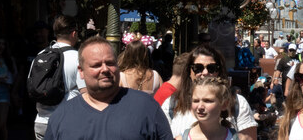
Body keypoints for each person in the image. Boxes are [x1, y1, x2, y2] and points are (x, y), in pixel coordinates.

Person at [43, 36, 171, 139]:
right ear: (81, 71)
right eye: (96, 65)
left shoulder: (146, 106)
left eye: (110, 63)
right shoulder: (62, 116)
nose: (105, 69)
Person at [161, 44, 257, 140]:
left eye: (212, 68)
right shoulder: (172, 103)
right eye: (198, 68)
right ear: (189, 71)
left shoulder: (237, 102)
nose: (205, 72)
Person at [32, 15, 84, 140]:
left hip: (41, 122)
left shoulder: (41, 55)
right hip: (68, 123)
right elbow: (86, 93)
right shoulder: (78, 58)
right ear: (73, 33)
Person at [181, 75, 236, 140]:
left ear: (224, 105)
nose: (200, 106)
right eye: (196, 101)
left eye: (207, 101)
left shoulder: (238, 138)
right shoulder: (181, 138)